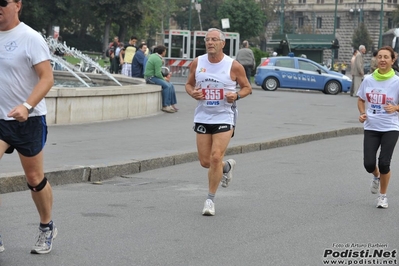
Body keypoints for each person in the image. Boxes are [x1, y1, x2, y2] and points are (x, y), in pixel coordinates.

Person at [0, 0, 57, 254]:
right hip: (0, 119)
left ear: (17, 5)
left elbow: (47, 78)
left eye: (3, 2)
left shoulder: (30, 37)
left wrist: (27, 106)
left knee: (34, 179)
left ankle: (47, 227)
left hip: (28, 120)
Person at [185, 28, 252, 216]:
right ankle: (226, 167)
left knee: (215, 157)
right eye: (207, 39)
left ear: (223, 43)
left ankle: (209, 200)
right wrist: (193, 93)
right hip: (203, 116)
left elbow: (247, 87)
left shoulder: (234, 65)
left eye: (214, 39)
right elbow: (189, 84)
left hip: (224, 116)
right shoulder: (198, 63)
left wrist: (236, 95)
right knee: (206, 162)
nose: (210, 42)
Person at [357, 46, 399, 209]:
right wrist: (362, 113)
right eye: (379, 57)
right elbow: (361, 99)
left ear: (392, 60)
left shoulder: (397, 81)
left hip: (390, 127)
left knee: (384, 163)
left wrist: (395, 108)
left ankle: (383, 196)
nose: (382, 59)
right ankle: (376, 177)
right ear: (376, 59)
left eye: (386, 57)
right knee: (369, 164)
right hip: (371, 126)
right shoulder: (368, 79)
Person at [144, 45, 178, 113]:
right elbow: (157, 73)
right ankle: (165, 105)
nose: (165, 52)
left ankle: (171, 104)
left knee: (170, 84)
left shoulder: (154, 56)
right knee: (167, 86)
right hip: (151, 78)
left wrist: (164, 78)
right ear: (162, 52)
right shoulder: (157, 59)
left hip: (152, 76)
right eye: (165, 51)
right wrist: (164, 79)